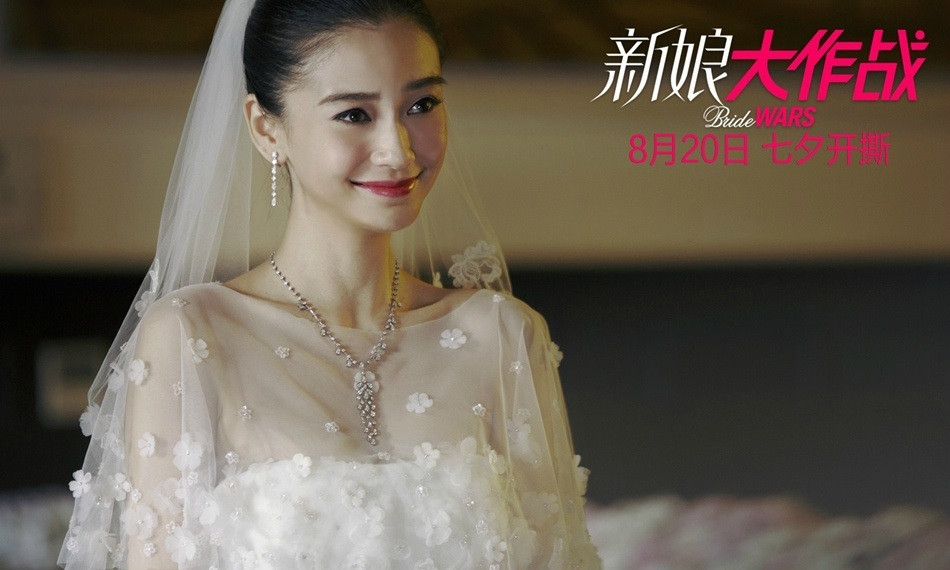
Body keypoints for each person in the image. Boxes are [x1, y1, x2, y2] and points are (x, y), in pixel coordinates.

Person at [58, 0, 601, 568]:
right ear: (267, 128)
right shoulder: (192, 336)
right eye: (354, 114)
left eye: (421, 105)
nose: (399, 149)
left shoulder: (501, 334)